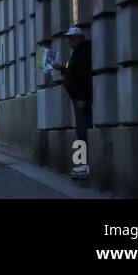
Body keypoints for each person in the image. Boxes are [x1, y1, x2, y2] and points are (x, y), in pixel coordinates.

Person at [53, 25, 92, 175]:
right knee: (80, 130)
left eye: (71, 38)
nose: (68, 41)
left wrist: (82, 97)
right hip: (78, 98)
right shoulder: (77, 53)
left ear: (78, 38)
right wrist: (62, 69)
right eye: (68, 38)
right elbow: (74, 73)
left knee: (82, 131)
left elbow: (84, 76)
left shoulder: (82, 53)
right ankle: (81, 162)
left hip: (81, 98)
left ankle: (83, 163)